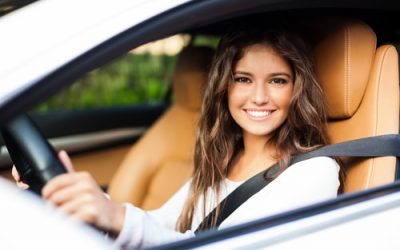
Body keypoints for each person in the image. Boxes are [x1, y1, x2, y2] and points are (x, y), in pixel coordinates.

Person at [13, 24, 340, 249]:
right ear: (225, 87)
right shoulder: (224, 158)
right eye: (243, 79)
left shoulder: (314, 172)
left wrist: (115, 217)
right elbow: (160, 224)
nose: (258, 97)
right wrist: (81, 200)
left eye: (277, 81)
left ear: (297, 90)